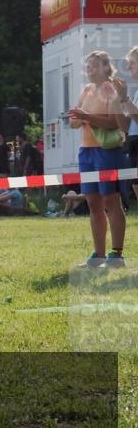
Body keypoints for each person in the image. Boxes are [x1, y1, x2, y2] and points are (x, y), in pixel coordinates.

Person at [68, 50, 129, 268]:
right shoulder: (86, 90)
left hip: (107, 151)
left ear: (105, 67)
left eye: (93, 66)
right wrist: (77, 118)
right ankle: (99, 254)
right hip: (86, 152)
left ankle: (117, 254)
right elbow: (74, 122)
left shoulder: (111, 89)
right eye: (87, 66)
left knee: (111, 202)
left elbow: (115, 123)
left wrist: (85, 117)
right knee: (93, 203)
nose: (89, 70)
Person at [113, 45, 138, 205]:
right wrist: (116, 100)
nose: (128, 67)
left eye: (133, 63)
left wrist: (125, 99)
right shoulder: (137, 92)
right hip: (134, 144)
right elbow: (127, 127)